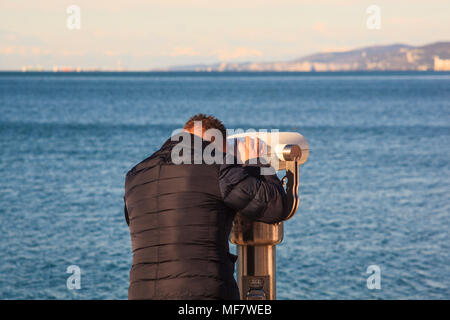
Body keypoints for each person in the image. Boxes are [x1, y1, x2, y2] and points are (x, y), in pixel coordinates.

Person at [123, 114, 288, 300]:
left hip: (140, 292)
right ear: (215, 141)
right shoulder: (217, 165)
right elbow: (275, 207)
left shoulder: (135, 175)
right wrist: (256, 161)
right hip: (202, 292)